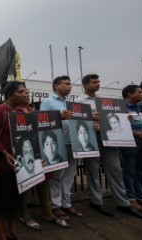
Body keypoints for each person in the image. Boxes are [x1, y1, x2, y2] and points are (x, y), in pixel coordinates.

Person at [75, 74, 142, 219]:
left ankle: (123, 202)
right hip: (91, 138)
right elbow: (75, 121)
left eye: (98, 81)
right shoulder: (79, 102)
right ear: (85, 85)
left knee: (116, 170)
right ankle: (96, 201)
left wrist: (125, 118)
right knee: (93, 171)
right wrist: (89, 119)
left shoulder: (104, 101)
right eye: (94, 82)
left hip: (109, 138)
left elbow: (114, 118)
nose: (98, 84)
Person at [0, 81, 30, 240]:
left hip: (21, 166)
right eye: (21, 92)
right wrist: (4, 153)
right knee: (0, 203)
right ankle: (1, 233)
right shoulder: (0, 111)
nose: (25, 94)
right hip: (4, 166)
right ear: (10, 94)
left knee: (15, 203)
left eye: (26, 91)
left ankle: (13, 230)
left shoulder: (23, 112)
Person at [40, 75, 83, 220]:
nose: (70, 86)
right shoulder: (48, 102)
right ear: (56, 86)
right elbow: (42, 120)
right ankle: (55, 205)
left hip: (73, 143)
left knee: (69, 176)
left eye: (70, 84)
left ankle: (66, 203)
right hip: (58, 143)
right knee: (57, 176)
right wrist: (59, 116)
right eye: (66, 84)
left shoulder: (72, 103)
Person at [119, 85, 142, 211]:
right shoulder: (120, 108)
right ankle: (130, 198)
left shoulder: (139, 107)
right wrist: (134, 133)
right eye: (139, 92)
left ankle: (141, 195)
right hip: (130, 143)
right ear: (130, 94)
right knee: (129, 170)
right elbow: (116, 126)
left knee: (140, 170)